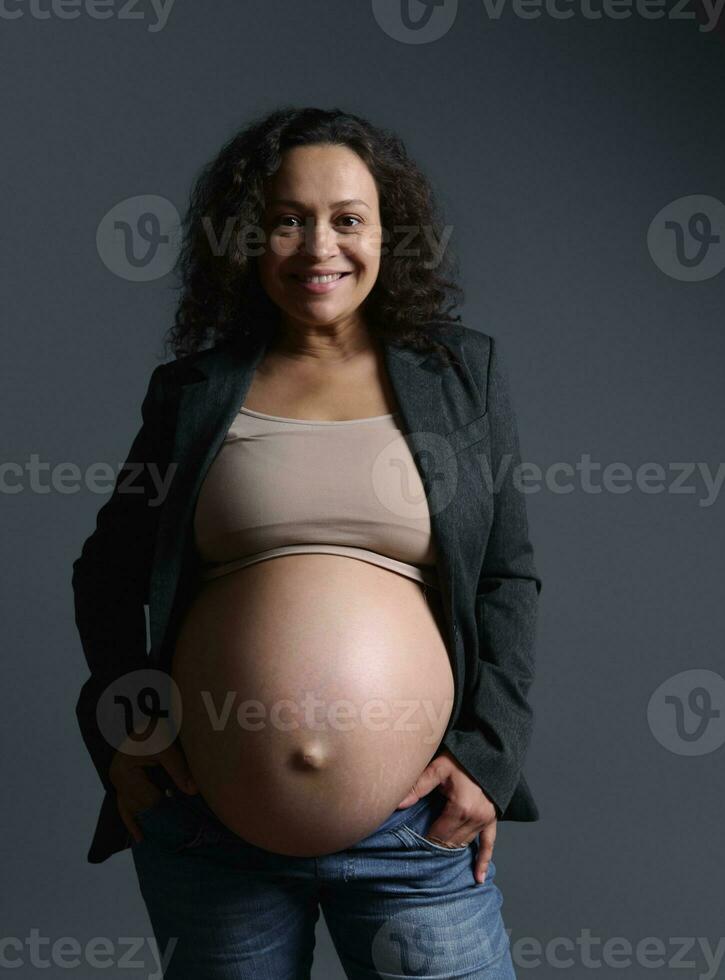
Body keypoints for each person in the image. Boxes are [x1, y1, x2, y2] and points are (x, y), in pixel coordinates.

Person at [72, 106, 542, 979]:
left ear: (384, 234)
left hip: (415, 831)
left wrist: (488, 759)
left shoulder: (458, 375)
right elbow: (105, 575)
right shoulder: (193, 390)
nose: (318, 246)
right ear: (249, 239)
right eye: (287, 220)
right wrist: (126, 737)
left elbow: (507, 578)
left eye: (346, 219)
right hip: (208, 827)